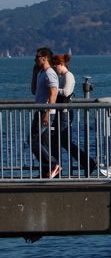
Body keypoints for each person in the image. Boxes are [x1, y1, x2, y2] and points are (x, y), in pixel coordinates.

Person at [51, 54, 97, 175]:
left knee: (64, 141)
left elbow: (66, 92)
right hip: (60, 111)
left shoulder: (68, 76)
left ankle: (87, 162)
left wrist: (53, 89)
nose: (54, 70)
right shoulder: (62, 77)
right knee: (56, 140)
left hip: (65, 112)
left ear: (61, 64)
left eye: (55, 67)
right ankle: (56, 167)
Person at [31, 48, 61, 178]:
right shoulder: (42, 73)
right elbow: (34, 91)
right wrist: (34, 74)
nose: (35, 60)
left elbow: (53, 93)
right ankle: (46, 171)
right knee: (43, 143)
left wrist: (48, 112)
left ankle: (53, 163)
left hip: (45, 111)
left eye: (37, 57)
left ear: (44, 58)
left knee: (32, 140)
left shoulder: (50, 73)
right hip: (41, 110)